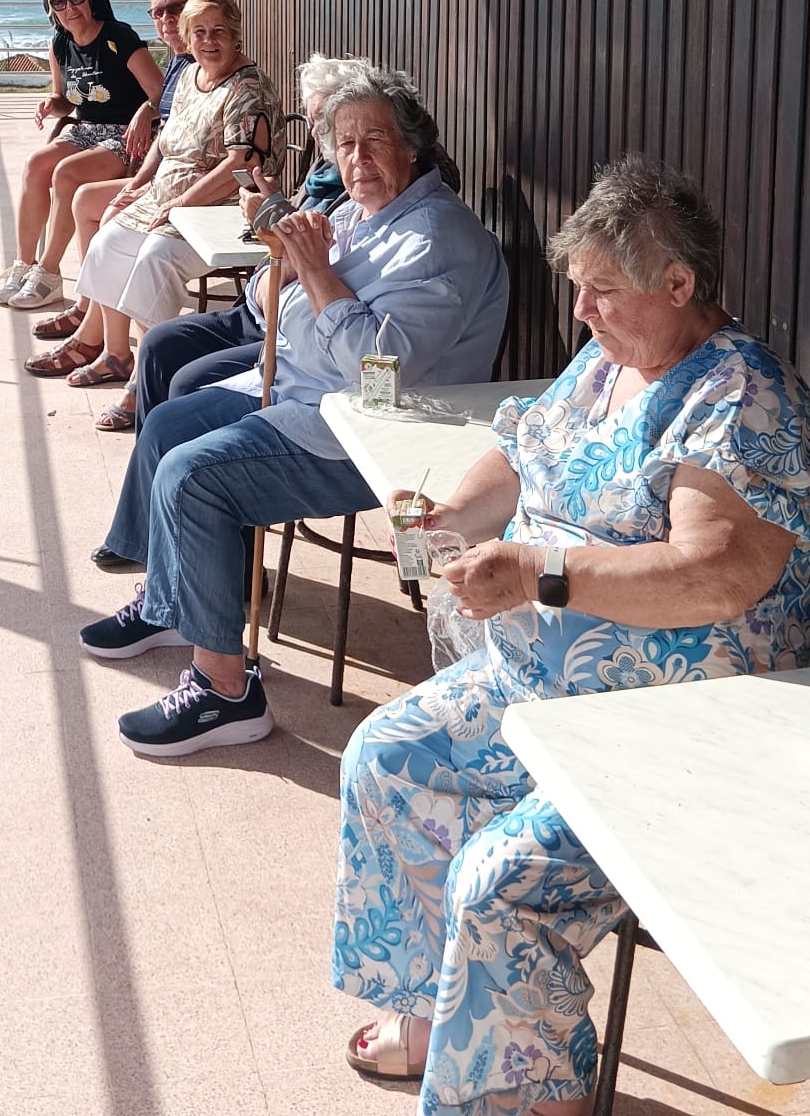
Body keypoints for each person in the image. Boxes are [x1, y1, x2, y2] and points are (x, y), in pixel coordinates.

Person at [333, 153, 810, 1115]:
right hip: (547, 693)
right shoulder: (611, 360)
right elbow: (526, 439)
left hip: (676, 731)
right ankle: (434, 1019)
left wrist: (539, 573)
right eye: (576, 289)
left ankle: (532, 1096)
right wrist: (447, 515)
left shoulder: (735, 398)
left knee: (501, 883)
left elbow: (718, 573)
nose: (582, 313)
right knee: (388, 753)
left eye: (601, 292)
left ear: (680, 284)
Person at [78, 63, 509, 758]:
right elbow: (262, 309)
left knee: (193, 477)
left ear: (414, 147)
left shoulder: (436, 239)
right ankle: (171, 603)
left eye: (374, 140)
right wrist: (281, 262)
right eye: (344, 143)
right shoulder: (357, 211)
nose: (357, 158)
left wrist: (315, 271)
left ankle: (225, 694)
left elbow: (380, 374)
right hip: (296, 390)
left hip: (367, 430)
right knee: (165, 422)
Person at [86, 51, 358, 529]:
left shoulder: (353, 187)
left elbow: (317, 260)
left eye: (327, 122)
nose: (321, 136)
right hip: (265, 304)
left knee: (184, 381)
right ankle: (148, 517)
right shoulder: (328, 176)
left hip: (289, 332)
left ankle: (168, 528)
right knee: (159, 344)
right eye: (317, 122)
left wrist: (267, 208)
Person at [27, 0, 279, 392]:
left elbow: (242, 163)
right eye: (198, 32)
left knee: (152, 260)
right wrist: (140, 184)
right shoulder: (191, 74)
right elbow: (165, 140)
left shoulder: (246, 89)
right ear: (187, 36)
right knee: (108, 241)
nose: (209, 41)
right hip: (169, 198)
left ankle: (146, 382)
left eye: (218, 31)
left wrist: (180, 202)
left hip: (223, 207)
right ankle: (115, 354)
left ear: (236, 35)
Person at [12, 0, 197, 316]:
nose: (70, 7)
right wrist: (53, 103)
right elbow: (67, 99)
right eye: (59, 3)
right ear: (52, 11)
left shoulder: (118, 37)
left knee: (66, 174)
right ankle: (25, 264)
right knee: (36, 164)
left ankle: (49, 273)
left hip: (126, 132)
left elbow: (159, 92)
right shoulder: (60, 44)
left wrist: (145, 110)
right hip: (86, 128)